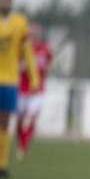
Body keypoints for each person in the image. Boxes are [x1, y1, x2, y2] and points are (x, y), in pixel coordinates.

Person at [0, 0, 37, 179]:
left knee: (5, 122)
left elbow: (27, 51)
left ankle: (2, 164)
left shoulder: (20, 23)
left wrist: (34, 76)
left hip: (9, 80)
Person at [15, 21, 52, 162]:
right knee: (19, 120)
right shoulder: (23, 48)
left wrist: (46, 71)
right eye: (32, 31)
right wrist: (21, 67)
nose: (34, 34)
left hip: (37, 90)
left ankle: (23, 147)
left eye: (37, 31)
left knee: (30, 119)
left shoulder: (45, 49)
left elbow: (48, 65)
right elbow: (16, 66)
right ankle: (21, 142)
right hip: (22, 89)